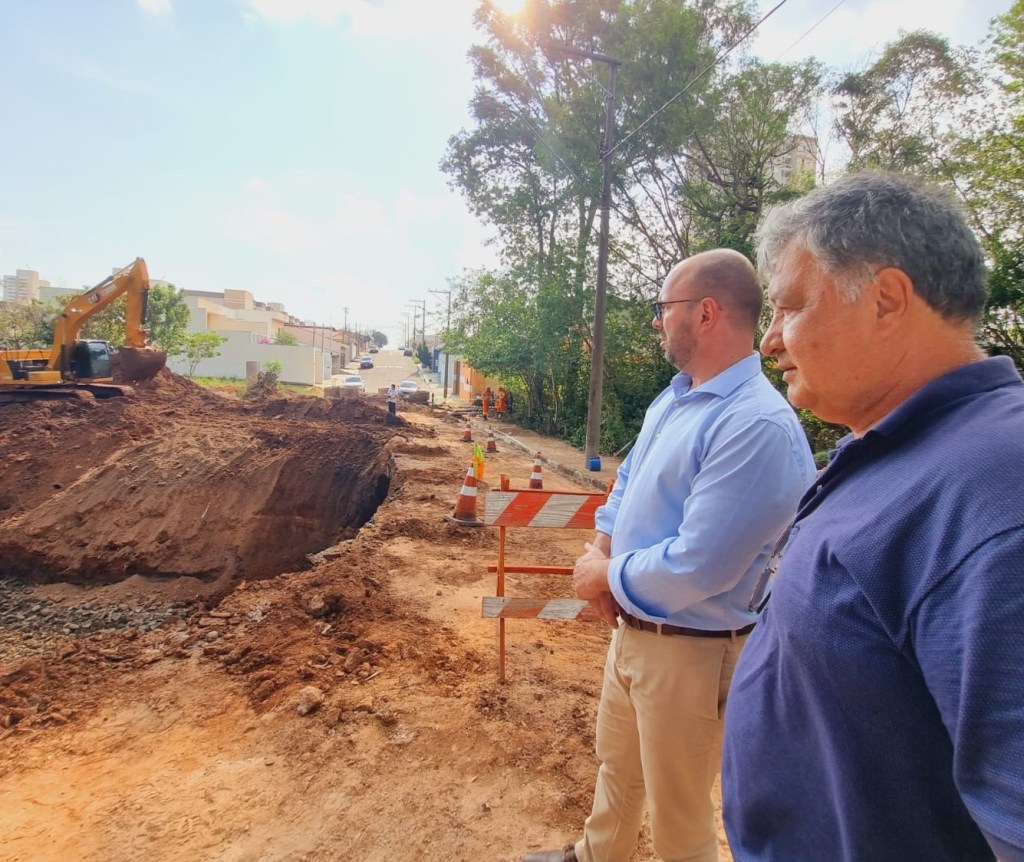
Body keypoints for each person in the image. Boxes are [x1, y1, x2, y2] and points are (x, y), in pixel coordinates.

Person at [722, 172, 1024, 861]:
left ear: (886, 299)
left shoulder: (998, 494)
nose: (770, 341)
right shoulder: (892, 448)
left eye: (791, 306)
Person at [525, 249, 816, 862]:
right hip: (636, 632)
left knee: (679, 811)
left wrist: (604, 574)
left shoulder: (754, 425)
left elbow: (698, 566)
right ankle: (597, 854)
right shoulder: (678, 397)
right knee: (618, 769)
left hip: (691, 651)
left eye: (665, 308)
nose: (657, 321)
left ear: (706, 313)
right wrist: (604, 557)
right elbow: (625, 488)